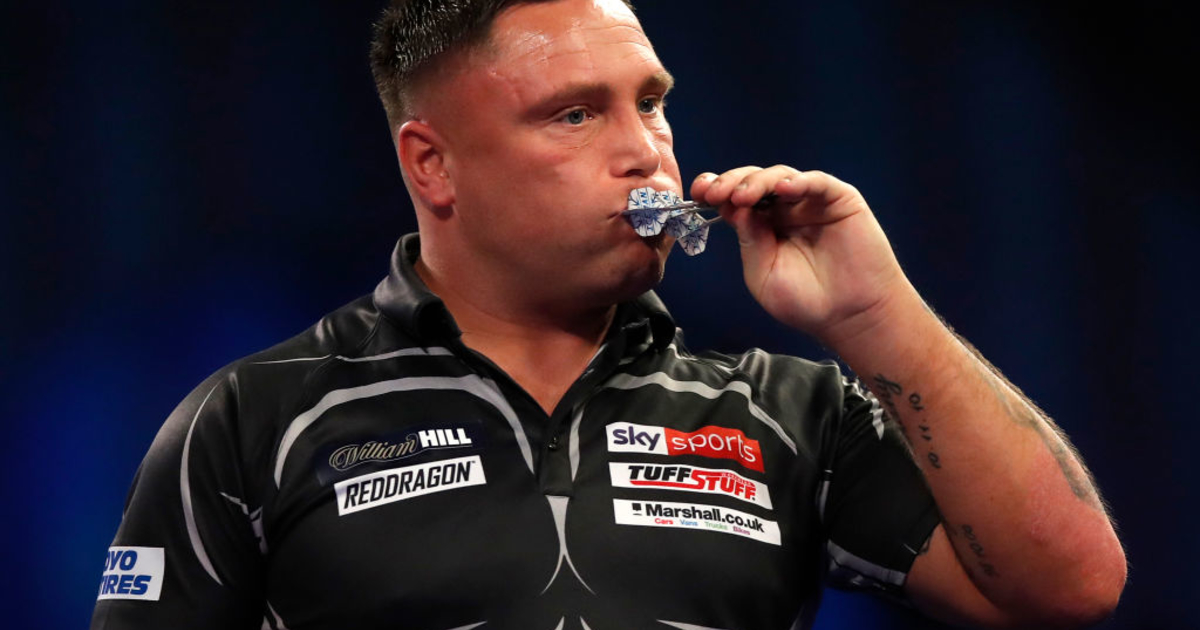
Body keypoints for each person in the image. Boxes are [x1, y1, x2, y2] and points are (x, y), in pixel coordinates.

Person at [90, 0, 1126, 628]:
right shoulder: (253, 418)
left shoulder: (785, 412)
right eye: (576, 113)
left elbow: (1069, 590)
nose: (645, 152)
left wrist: (876, 314)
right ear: (433, 164)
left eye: (653, 101)